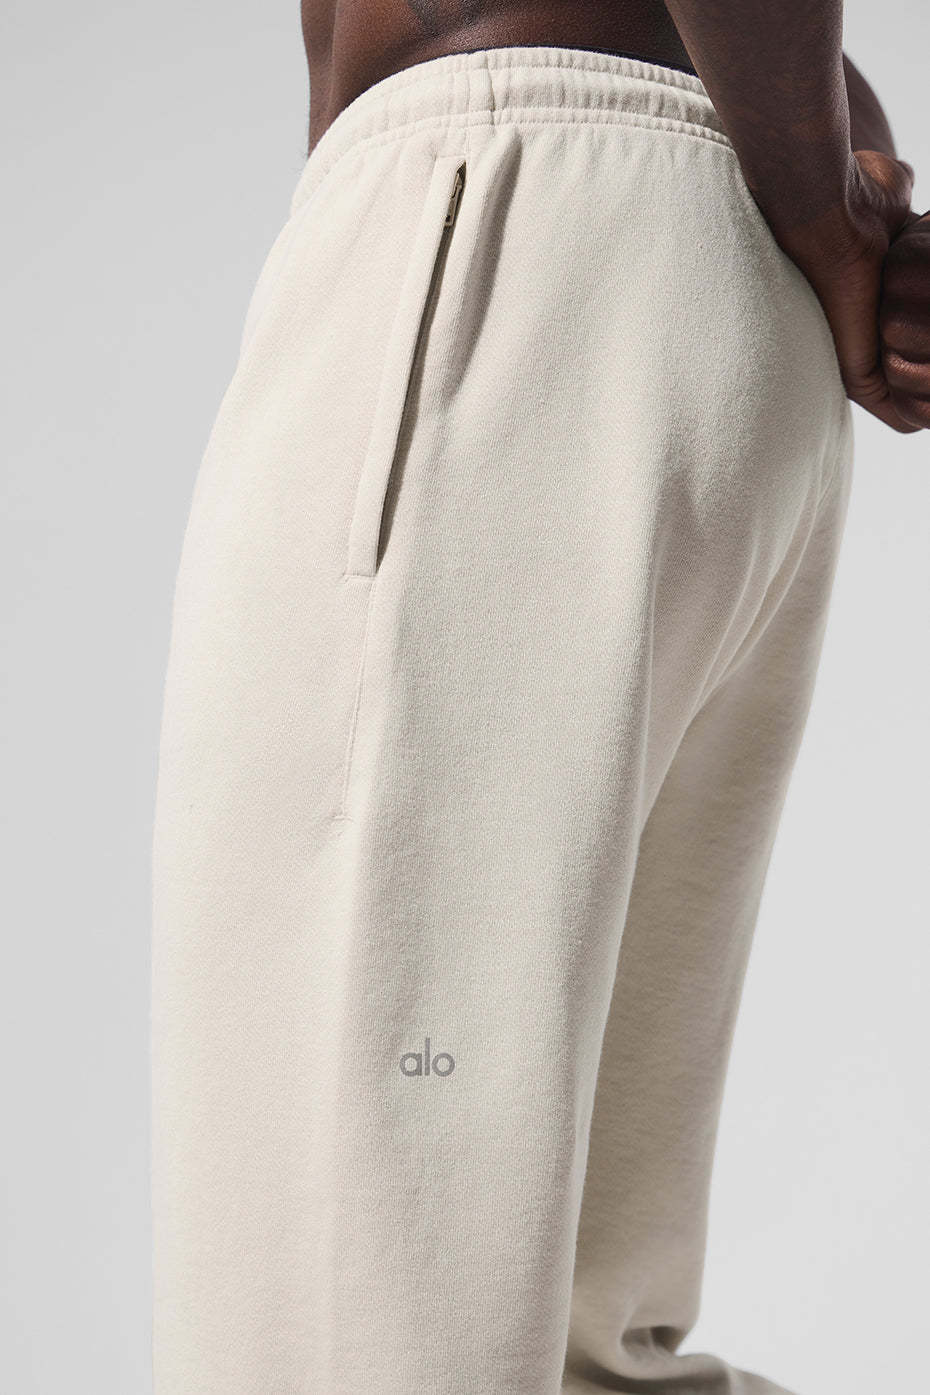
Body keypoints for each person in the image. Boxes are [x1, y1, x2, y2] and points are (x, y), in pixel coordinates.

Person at [151, 2, 928, 1392]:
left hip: (507, 238)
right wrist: (835, 196)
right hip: (715, 272)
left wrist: (827, 208)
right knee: (567, 1334)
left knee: (356, 1302)